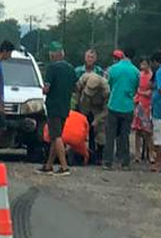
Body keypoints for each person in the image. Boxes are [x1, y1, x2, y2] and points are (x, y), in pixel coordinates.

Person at [39, 41, 76, 176]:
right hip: (65, 105)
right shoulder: (71, 68)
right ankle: (49, 165)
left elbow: (47, 89)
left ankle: (64, 166)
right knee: (56, 136)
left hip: (53, 106)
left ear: (54, 54)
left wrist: (43, 89)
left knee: (56, 136)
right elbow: (75, 87)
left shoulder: (52, 68)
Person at [105, 47, 140, 169]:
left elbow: (109, 84)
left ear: (123, 54)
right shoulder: (136, 71)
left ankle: (107, 162)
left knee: (110, 135)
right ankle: (125, 162)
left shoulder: (113, 69)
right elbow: (136, 88)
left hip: (114, 104)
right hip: (128, 106)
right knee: (125, 136)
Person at [75, 68, 110, 164]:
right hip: (84, 105)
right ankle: (81, 152)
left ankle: (99, 154)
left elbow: (106, 109)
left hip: (98, 109)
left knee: (100, 130)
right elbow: (76, 91)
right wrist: (78, 107)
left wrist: (97, 120)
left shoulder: (106, 90)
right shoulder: (84, 78)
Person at [132, 58, 154, 163]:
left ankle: (151, 153)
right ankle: (137, 154)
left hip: (147, 105)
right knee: (138, 130)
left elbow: (151, 91)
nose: (142, 66)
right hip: (139, 104)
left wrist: (141, 92)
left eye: (144, 64)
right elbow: (136, 88)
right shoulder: (139, 75)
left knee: (148, 131)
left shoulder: (151, 76)